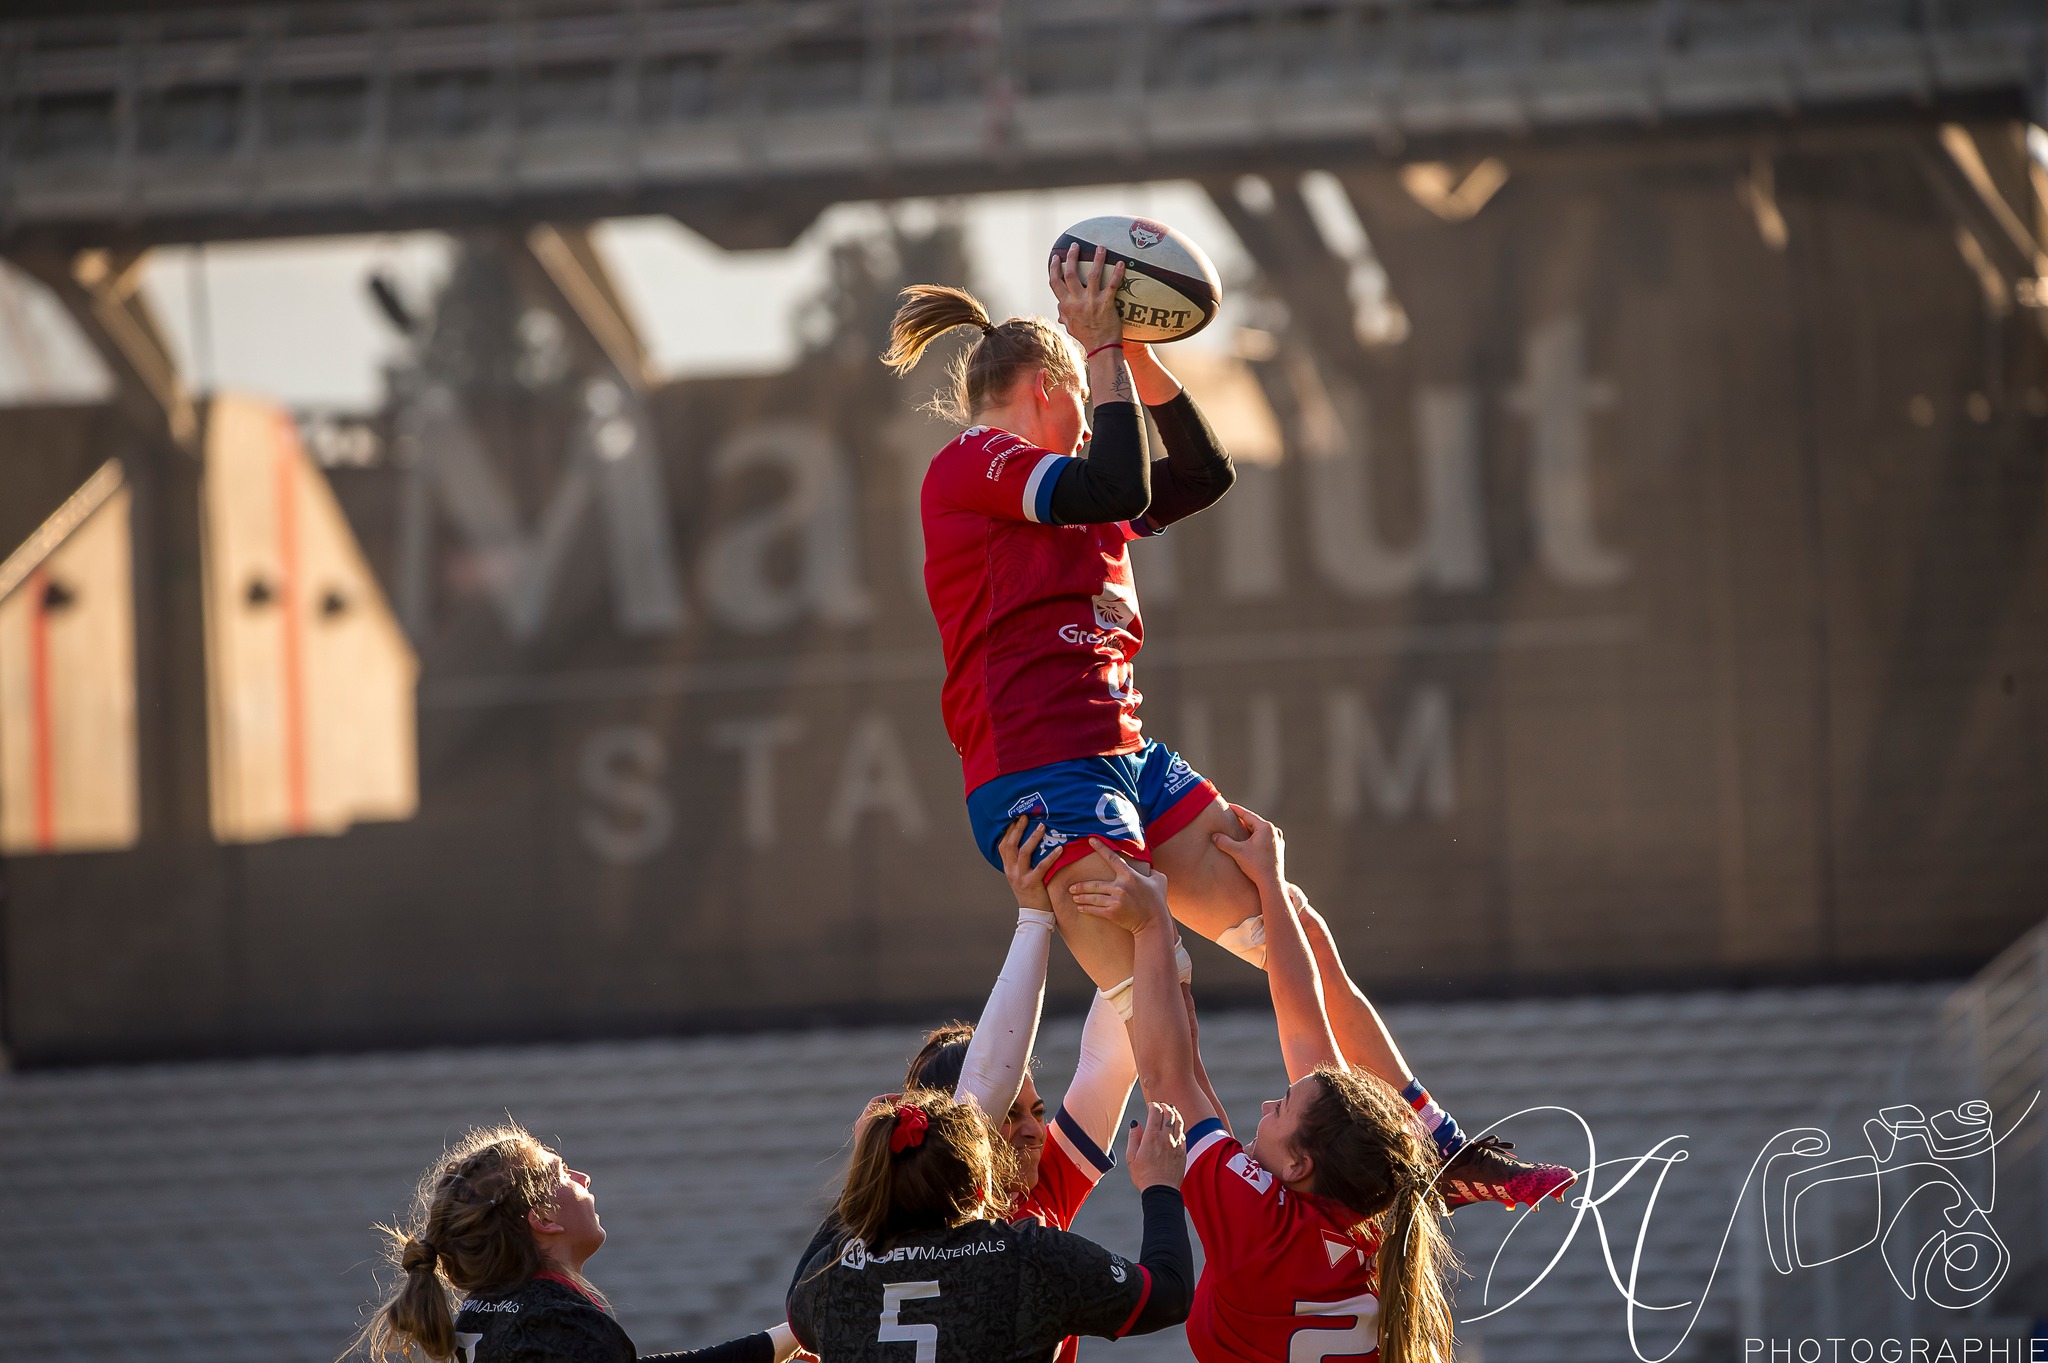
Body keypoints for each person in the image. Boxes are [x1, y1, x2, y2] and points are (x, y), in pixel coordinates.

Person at [885, 247, 1570, 1208]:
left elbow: (1202, 472)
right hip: (1041, 774)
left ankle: (1438, 1147)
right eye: (1080, 388)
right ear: (1048, 385)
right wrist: (1105, 357)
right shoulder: (976, 462)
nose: (1093, 410)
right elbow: (1119, 484)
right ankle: (1244, 1212)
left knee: (1299, 930)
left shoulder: (1077, 480)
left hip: (1125, 758)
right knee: (1158, 995)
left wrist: (1129, 349)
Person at [788, 817, 1222, 1363]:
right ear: (958, 1138)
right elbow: (991, 1082)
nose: (1034, 1131)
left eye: (1036, 1111)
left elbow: (1107, 1058)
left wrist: (1150, 914)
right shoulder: (1017, 1244)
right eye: (1009, 1117)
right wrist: (1095, 918)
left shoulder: (860, 1249)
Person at [1068, 817, 1484, 1363]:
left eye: (1282, 1109)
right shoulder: (1371, 1210)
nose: (1267, 1104)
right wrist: (1267, 880)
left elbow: (1168, 1081)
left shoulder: (1280, 1222)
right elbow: (1303, 1031)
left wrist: (1150, 930)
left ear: (1297, 1168)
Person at [786, 1088, 1194, 1363]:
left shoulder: (832, 1279)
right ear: (983, 1187)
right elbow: (1170, 1296)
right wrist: (1160, 1185)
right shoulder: (1029, 1255)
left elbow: (797, 1304)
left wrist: (868, 1166)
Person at [361, 1123, 806, 1363]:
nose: (582, 1178)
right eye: (561, 1172)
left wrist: (791, 1334)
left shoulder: (488, 1309)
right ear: (543, 1218)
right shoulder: (559, 1322)